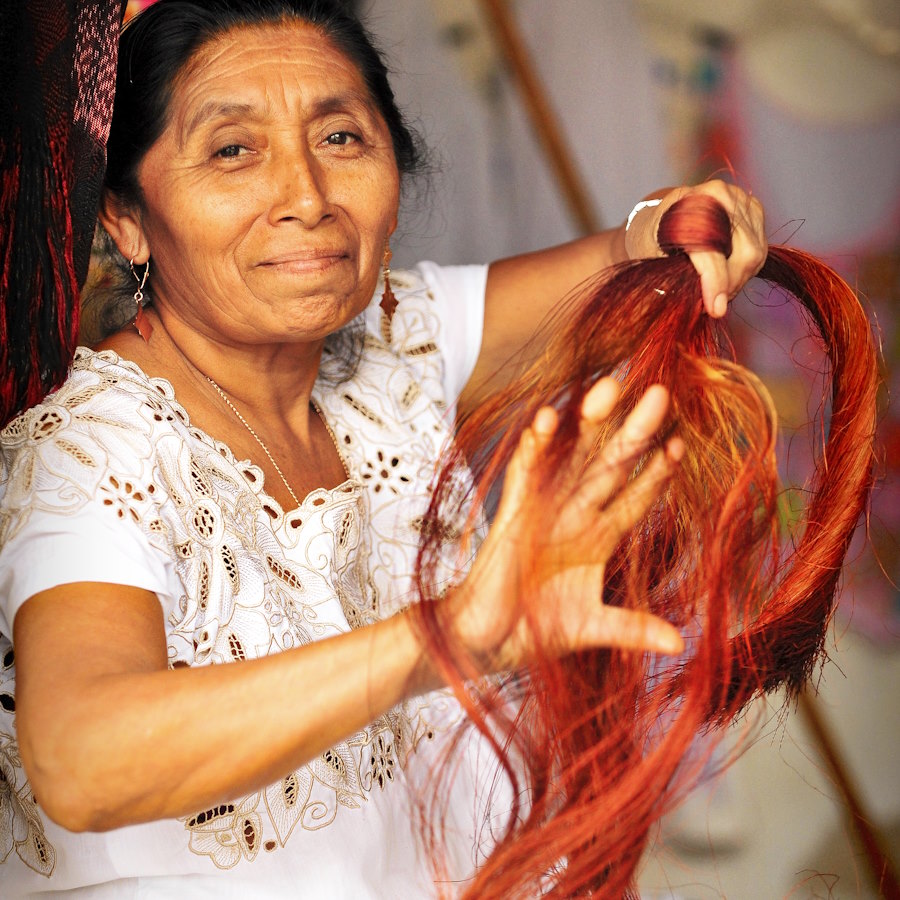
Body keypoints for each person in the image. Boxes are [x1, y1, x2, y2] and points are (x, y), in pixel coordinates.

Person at [0, 1, 768, 896]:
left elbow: (630, 267)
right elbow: (83, 762)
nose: (307, 198)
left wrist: (676, 225)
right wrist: (446, 638)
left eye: (339, 138)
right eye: (232, 150)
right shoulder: (88, 445)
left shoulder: (388, 339)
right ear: (127, 220)